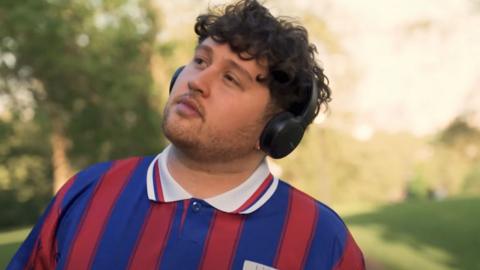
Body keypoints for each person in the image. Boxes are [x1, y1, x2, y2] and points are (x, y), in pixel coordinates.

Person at [8, 0, 365, 269]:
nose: (197, 82)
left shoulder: (321, 241)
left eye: (230, 78)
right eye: (200, 61)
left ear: (277, 130)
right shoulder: (85, 194)